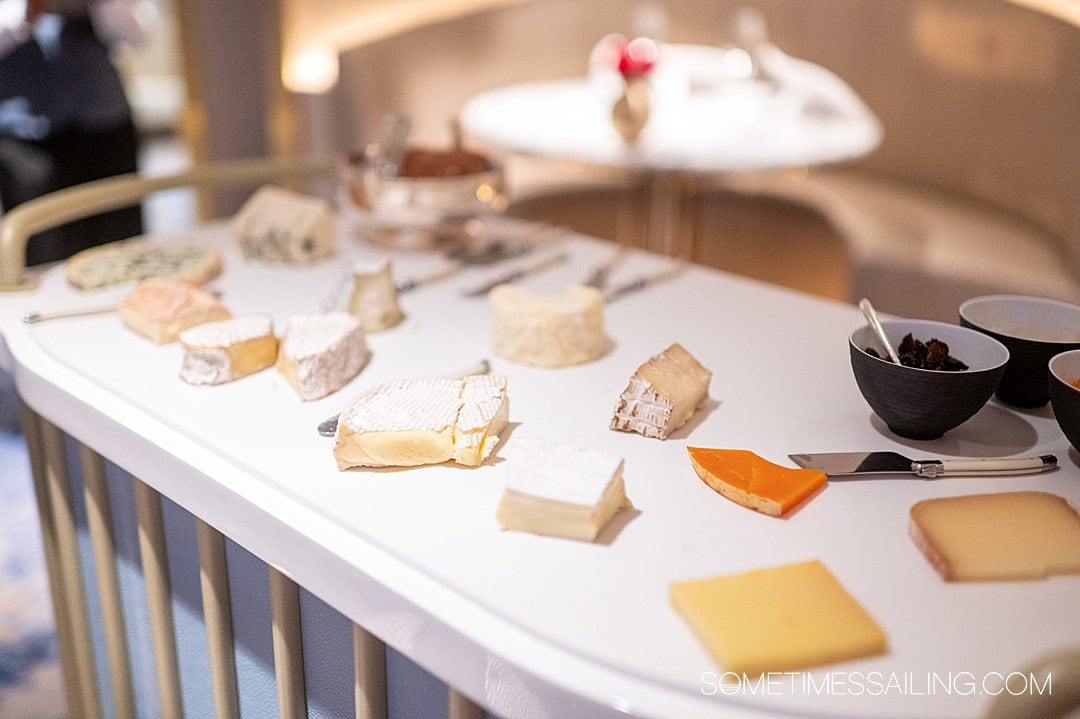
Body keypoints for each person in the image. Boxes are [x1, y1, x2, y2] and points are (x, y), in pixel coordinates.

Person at [0, 0, 156, 265]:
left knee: (123, 247)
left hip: (105, 123)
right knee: (45, 251)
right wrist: (24, 14)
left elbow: (139, 36)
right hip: (26, 137)